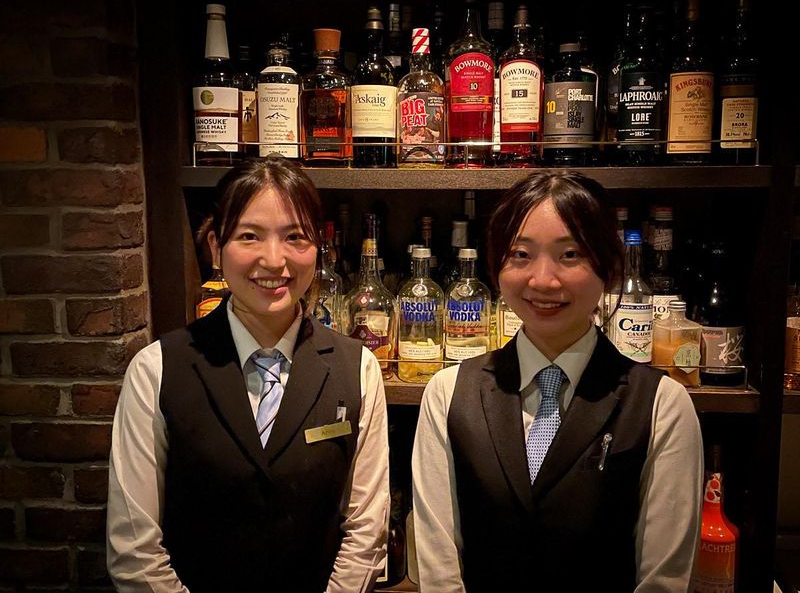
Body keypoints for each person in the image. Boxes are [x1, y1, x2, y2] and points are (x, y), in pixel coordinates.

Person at [107, 157, 389, 593]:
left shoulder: (358, 368)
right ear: (216, 248)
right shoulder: (156, 369)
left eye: (295, 237)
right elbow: (134, 550)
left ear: (319, 248)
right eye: (249, 236)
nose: (274, 261)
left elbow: (366, 533)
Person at [412, 171, 703, 592]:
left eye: (570, 255)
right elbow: (440, 572)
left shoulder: (662, 405)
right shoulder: (448, 393)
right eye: (520, 254)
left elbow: (662, 580)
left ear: (608, 266)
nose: (543, 280)